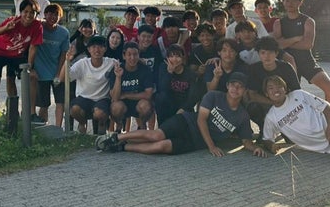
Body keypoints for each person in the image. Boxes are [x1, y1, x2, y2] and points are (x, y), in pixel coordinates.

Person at [96, 72, 267, 158]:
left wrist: (255, 148)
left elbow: (246, 140)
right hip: (186, 122)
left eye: (240, 87)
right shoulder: (214, 96)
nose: (236, 89)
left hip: (195, 142)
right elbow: (201, 120)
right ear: (228, 86)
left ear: (244, 90)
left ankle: (122, 147)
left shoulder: (242, 116)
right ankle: (116, 138)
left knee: (161, 147)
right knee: (156, 135)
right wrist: (211, 146)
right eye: (233, 85)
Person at [273, 0, 330, 112]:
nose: (290, 3)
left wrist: (286, 42)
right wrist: (296, 38)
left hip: (306, 61)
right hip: (287, 64)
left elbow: (307, 44)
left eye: (294, 0)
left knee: (329, 88)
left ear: (300, 2)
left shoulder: (308, 21)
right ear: (283, 2)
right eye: (287, 0)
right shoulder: (279, 23)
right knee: (289, 97)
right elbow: (277, 45)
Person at [0, 0, 43, 116]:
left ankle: (21, 112)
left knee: (23, 78)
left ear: (36, 14)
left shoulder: (37, 26)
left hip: (16, 55)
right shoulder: (13, 21)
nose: (28, 15)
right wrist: (5, 28)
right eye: (26, 12)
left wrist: (29, 66)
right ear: (21, 12)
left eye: (32, 12)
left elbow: (33, 48)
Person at [60, 35, 116, 135]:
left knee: (100, 113)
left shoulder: (111, 63)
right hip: (83, 98)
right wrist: (67, 60)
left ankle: (102, 125)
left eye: (100, 47)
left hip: (102, 99)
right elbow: (63, 78)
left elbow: (125, 65)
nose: (97, 50)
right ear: (89, 49)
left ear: (105, 49)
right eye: (94, 47)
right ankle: (82, 123)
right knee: (74, 109)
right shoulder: (82, 63)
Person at [245, 36, 301, 135]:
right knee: (252, 107)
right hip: (265, 103)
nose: (267, 56)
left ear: (276, 53)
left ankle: (287, 128)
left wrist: (283, 104)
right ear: (258, 54)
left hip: (285, 104)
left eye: (270, 52)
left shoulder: (286, 68)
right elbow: (252, 94)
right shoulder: (254, 69)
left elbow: (297, 92)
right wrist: (272, 103)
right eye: (263, 53)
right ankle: (263, 129)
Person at [31, 3, 69, 126]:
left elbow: (63, 54)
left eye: (56, 14)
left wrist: (59, 73)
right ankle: (43, 126)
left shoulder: (64, 33)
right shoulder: (38, 28)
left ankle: (58, 128)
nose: (53, 17)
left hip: (57, 72)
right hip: (41, 74)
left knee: (60, 102)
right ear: (45, 14)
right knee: (44, 104)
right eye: (50, 13)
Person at [109, 41, 154, 131]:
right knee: (116, 107)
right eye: (129, 54)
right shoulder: (117, 70)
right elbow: (115, 97)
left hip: (138, 103)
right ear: (124, 56)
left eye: (135, 54)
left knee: (146, 106)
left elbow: (148, 94)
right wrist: (118, 77)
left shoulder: (145, 69)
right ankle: (119, 126)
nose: (132, 58)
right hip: (122, 104)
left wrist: (126, 95)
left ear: (139, 55)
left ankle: (142, 127)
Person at [155, 44, 203, 125]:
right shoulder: (163, 68)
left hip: (183, 106)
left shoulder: (190, 73)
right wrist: (169, 72)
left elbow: (193, 97)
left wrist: (183, 109)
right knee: (160, 98)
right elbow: (162, 89)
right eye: (171, 56)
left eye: (178, 56)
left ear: (182, 58)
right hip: (168, 104)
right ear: (167, 58)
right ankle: (161, 126)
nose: (174, 59)